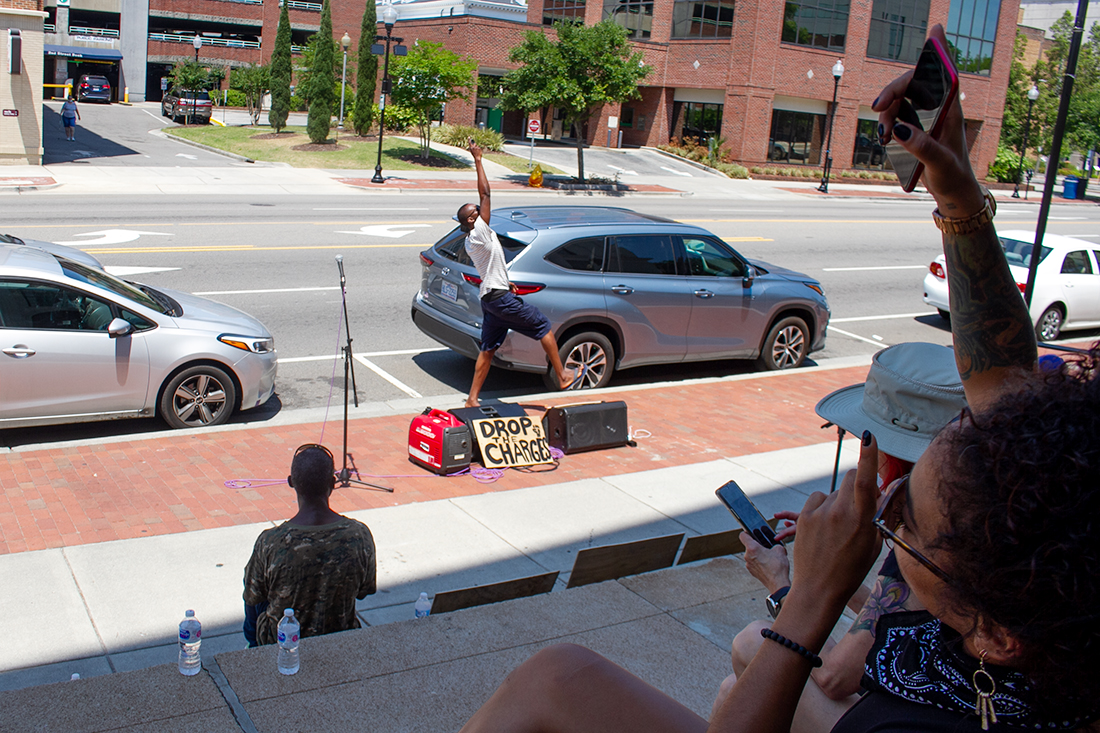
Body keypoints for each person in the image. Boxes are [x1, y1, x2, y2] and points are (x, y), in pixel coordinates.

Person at [458, 25, 1100, 733]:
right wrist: (957, 192)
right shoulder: (1047, 584)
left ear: (996, 637)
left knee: (559, 677)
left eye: (904, 522)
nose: (885, 513)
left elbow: (823, 673)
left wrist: (807, 595)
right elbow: (1009, 393)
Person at [719, 341, 967, 732]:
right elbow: (894, 616)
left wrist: (786, 585)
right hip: (941, 705)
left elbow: (836, 677)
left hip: (919, 717)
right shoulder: (959, 514)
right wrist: (837, 559)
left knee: (750, 648)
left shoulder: (924, 539)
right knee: (733, 687)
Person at [458, 141, 583, 407]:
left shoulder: (473, 239)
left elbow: (491, 266)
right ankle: (561, 375)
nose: (480, 213)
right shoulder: (479, 231)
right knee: (542, 326)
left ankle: (472, 398)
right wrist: (478, 160)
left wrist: (506, 282)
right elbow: (486, 194)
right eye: (476, 213)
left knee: (488, 349)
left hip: (492, 299)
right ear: (471, 221)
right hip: (498, 299)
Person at [242, 444, 376, 647]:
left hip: (283, 642)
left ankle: (255, 649)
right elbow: (364, 591)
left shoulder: (271, 542)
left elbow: (252, 597)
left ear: (291, 482)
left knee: (256, 585)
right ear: (332, 483)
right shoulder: (359, 535)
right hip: (341, 636)